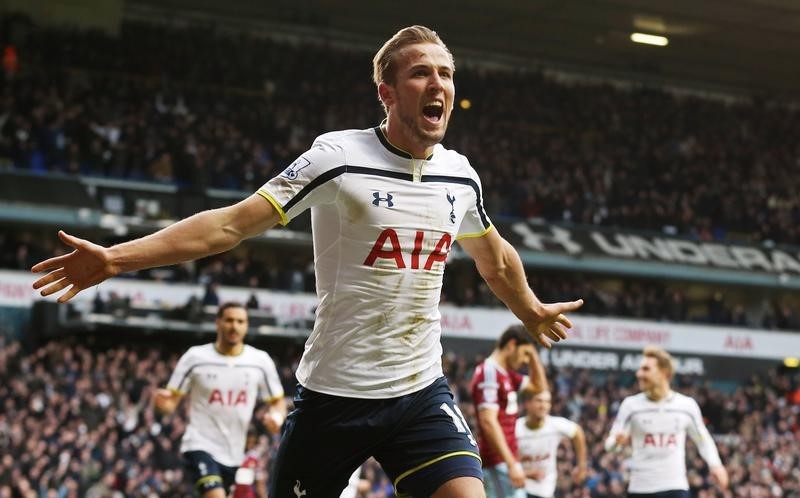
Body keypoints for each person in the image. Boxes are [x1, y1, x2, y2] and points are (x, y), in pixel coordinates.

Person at [31, 25, 583, 498]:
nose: (437, 84)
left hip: (420, 391)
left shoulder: (460, 175)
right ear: (386, 92)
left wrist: (530, 309)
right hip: (335, 398)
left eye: (446, 73)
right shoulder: (338, 158)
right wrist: (114, 260)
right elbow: (229, 225)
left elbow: (495, 259)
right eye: (420, 73)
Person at [153, 302, 287, 498]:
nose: (234, 326)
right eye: (229, 320)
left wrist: (276, 417)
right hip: (200, 445)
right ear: (218, 323)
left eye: (240, 321)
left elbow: (277, 401)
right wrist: (162, 405)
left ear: (246, 325)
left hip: (234, 453)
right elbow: (171, 402)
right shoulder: (195, 357)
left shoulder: (260, 362)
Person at [604, 346, 729, 498]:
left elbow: (702, 439)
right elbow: (610, 446)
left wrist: (715, 464)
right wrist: (617, 443)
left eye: (646, 369)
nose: (639, 374)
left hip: (675, 488)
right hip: (641, 489)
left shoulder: (686, 406)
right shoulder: (631, 406)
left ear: (664, 372)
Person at [470, 326, 547, 497]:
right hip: (497, 462)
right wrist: (512, 465)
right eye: (525, 354)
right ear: (512, 345)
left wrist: (534, 355)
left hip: (505, 462)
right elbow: (488, 422)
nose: (526, 361)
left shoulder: (508, 375)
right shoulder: (489, 372)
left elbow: (539, 387)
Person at [514, 354, 587, 498]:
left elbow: (577, 432)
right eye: (539, 401)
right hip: (519, 490)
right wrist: (527, 474)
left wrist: (581, 466)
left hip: (546, 491)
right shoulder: (516, 430)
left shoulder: (555, 425)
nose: (544, 406)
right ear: (527, 403)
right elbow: (502, 463)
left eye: (547, 402)